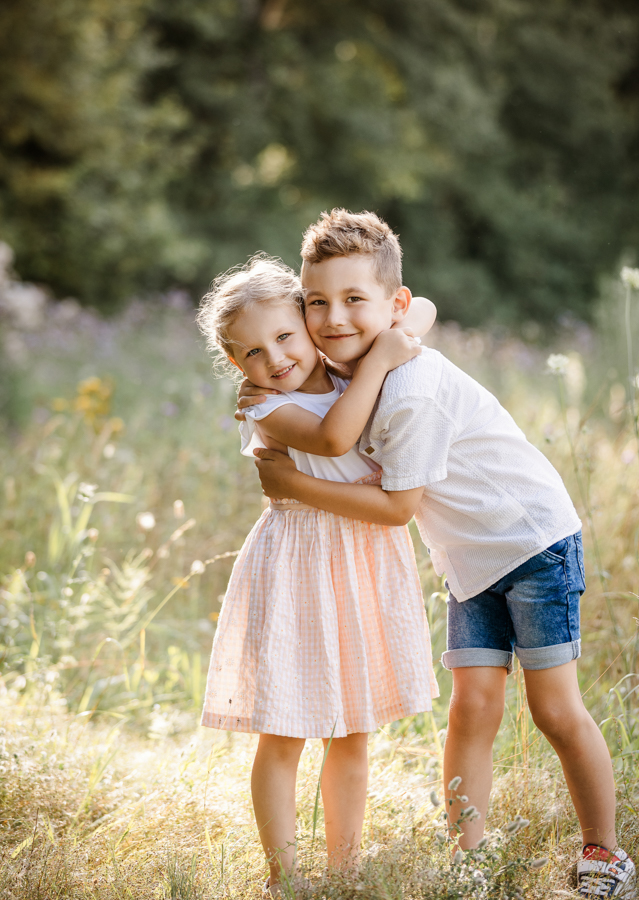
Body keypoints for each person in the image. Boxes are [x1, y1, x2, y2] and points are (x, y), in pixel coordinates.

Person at [241, 210, 637, 899]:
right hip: (468, 560)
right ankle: (470, 861)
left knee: (554, 709)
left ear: (387, 308)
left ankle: (605, 853)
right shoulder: (352, 361)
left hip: (530, 542)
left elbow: (396, 508)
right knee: (471, 709)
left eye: (353, 300)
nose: (333, 318)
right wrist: (271, 386)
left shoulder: (407, 391)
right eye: (317, 302)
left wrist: (291, 483)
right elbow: (408, 312)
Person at [196, 254, 438, 897]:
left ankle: (345, 871)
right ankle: (285, 877)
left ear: (309, 319)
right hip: (299, 565)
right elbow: (334, 440)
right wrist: (384, 359)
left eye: (282, 336)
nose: (273, 360)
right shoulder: (267, 409)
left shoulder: (340, 371)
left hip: (363, 561)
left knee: (354, 728)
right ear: (236, 368)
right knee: (285, 728)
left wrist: (382, 347)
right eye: (251, 353)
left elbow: (419, 313)